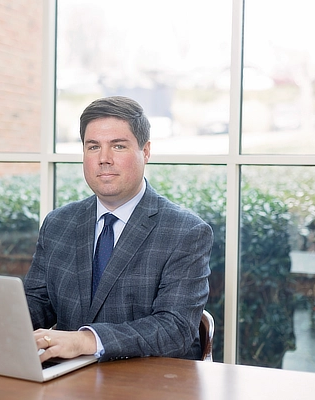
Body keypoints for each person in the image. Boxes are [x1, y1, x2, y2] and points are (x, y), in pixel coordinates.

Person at [24, 96, 213, 363]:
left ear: (145, 152)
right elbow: (38, 303)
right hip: (65, 379)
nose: (104, 159)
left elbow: (176, 330)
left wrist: (86, 340)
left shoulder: (186, 232)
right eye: (93, 147)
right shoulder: (58, 223)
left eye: (118, 146)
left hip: (148, 382)